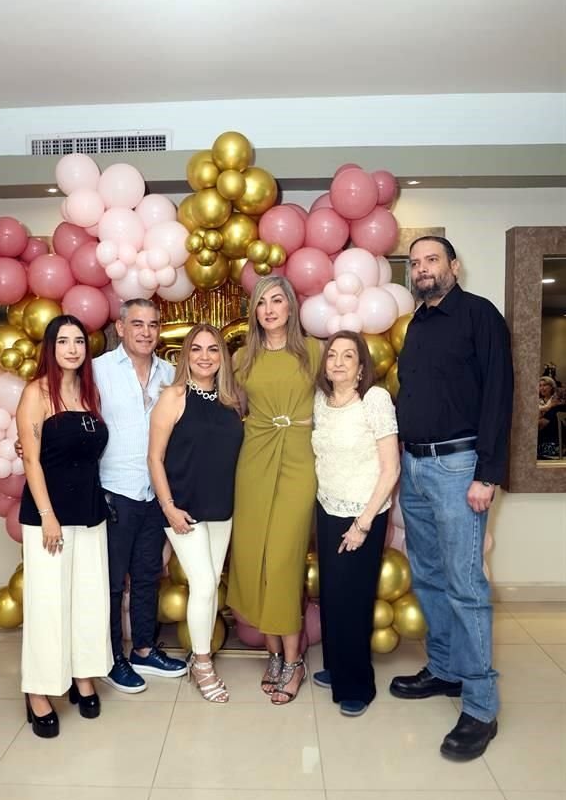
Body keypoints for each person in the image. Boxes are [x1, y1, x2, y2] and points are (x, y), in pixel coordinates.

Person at [391, 236, 514, 761]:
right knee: (430, 575)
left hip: (459, 466)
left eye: (431, 260)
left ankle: (481, 705)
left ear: (453, 265)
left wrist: (487, 475)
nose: (422, 269)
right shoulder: (417, 325)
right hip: (415, 467)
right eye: (415, 263)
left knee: (466, 586)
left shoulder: (479, 316)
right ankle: (445, 670)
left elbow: (499, 395)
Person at [227, 275, 321, 705]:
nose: (269, 309)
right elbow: (217, 409)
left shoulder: (315, 351)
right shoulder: (242, 358)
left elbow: (341, 400)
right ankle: (273, 655)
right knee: (257, 560)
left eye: (277, 300)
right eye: (261, 302)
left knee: (284, 559)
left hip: (300, 460)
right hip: (254, 460)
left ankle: (294, 659)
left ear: (290, 307)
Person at [17, 315, 111, 738]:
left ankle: (82, 674)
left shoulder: (88, 393)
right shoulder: (36, 392)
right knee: (48, 604)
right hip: (48, 517)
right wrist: (48, 515)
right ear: (50, 347)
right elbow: (31, 460)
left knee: (87, 601)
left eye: (79, 341)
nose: (72, 348)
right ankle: (38, 690)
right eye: (64, 341)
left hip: (90, 512)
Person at [94, 298, 187, 692]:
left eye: (152, 324)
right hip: (113, 490)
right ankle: (111, 657)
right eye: (137, 324)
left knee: (149, 575)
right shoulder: (97, 370)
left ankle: (144, 650)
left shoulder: (170, 373)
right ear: (121, 327)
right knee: (113, 582)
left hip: (154, 492)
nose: (146, 331)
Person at [148, 324, 243, 701]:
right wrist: (168, 507)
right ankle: (202, 663)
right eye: (197, 349)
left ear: (223, 357)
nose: (205, 356)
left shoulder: (231, 400)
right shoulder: (173, 396)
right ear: (185, 355)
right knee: (203, 584)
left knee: (210, 585)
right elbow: (154, 457)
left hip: (221, 508)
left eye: (213, 350)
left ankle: (200, 655)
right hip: (182, 509)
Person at [311, 331, 400, 716]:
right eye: (333, 355)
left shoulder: (375, 400)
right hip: (327, 508)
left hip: (363, 513)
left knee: (355, 597)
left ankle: (358, 684)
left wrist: (363, 523)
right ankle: (337, 667)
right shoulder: (321, 400)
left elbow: (391, 468)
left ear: (362, 365)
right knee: (332, 593)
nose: (339, 362)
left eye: (349, 356)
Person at [537, 376, 565, 459]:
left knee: (554, 411)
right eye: (540, 385)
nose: (542, 388)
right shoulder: (536, 401)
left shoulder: (558, 402)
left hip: (553, 437)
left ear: (552, 387)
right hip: (540, 437)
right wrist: (547, 407)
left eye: (545, 385)